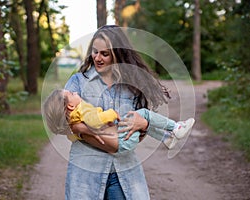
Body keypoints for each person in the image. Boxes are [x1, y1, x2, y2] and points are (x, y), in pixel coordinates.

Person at [54, 25, 193, 199]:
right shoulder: (78, 82)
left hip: (123, 172)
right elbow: (65, 123)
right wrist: (88, 132)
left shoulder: (132, 85)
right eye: (95, 51)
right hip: (85, 172)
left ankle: (171, 133)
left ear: (118, 55)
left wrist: (144, 124)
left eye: (104, 54)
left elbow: (135, 138)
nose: (97, 58)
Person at [43, 88, 195, 153]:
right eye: (71, 93)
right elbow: (96, 120)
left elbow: (72, 134)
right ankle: (176, 127)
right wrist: (111, 114)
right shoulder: (82, 111)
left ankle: (167, 138)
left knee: (140, 119)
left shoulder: (75, 125)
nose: (76, 92)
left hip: (123, 143)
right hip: (123, 140)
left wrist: (77, 129)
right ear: (70, 106)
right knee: (143, 113)